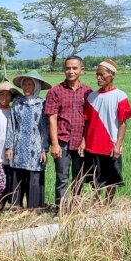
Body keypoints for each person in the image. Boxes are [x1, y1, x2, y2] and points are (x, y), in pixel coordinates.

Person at [78, 59, 131, 204]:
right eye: (97, 74)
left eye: (102, 75)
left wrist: (118, 144)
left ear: (112, 75)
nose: (98, 78)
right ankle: (96, 202)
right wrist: (83, 141)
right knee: (94, 177)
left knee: (111, 177)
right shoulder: (91, 97)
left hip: (110, 145)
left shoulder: (120, 96)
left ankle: (108, 204)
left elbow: (122, 124)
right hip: (92, 144)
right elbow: (87, 121)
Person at [44, 56, 93, 211]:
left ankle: (76, 207)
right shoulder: (55, 91)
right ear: (64, 69)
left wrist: (84, 141)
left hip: (80, 142)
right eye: (68, 68)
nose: (71, 71)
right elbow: (52, 119)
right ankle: (62, 209)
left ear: (81, 70)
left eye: (74, 68)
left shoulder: (88, 92)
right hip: (62, 140)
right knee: (62, 177)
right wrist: (55, 144)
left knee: (79, 177)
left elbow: (89, 120)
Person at [5, 71, 51, 209]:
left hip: (35, 147)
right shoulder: (17, 103)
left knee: (34, 175)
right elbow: (11, 125)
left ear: (36, 86)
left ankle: (34, 207)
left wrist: (44, 149)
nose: (26, 87)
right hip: (18, 146)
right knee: (18, 174)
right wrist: (9, 147)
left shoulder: (42, 104)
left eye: (29, 84)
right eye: (24, 84)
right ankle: (16, 206)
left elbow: (45, 129)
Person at [0, 80, 20, 209]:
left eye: (7, 95)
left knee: (8, 187)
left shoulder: (14, 111)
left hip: (10, 156)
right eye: (2, 95)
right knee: (1, 183)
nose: (4, 98)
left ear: (12, 97)